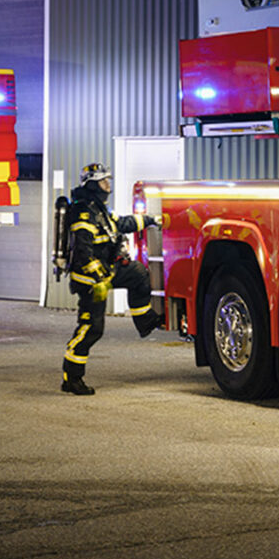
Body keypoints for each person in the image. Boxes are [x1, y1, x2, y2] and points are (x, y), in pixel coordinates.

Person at [58, 163, 158, 395]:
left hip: (106, 271)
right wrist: (99, 279)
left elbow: (121, 224)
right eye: (104, 181)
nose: (108, 185)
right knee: (91, 328)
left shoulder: (100, 209)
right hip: (90, 280)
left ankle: (145, 322)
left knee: (137, 274)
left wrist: (150, 220)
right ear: (92, 184)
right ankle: (71, 378)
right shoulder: (83, 212)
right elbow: (83, 253)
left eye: (108, 180)